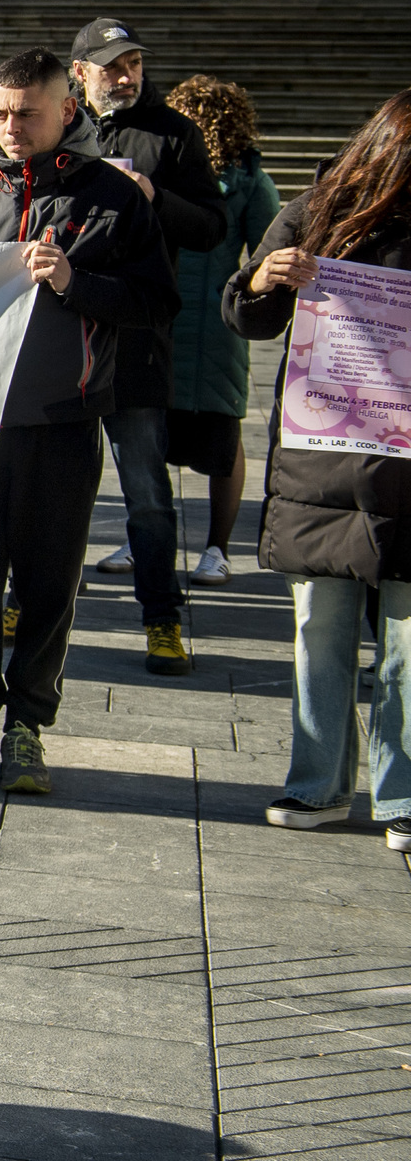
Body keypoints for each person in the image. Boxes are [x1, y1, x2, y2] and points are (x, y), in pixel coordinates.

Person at [0, 48, 178, 798]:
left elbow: (156, 304)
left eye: (26, 113)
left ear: (68, 110)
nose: (10, 127)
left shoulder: (113, 196)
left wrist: (75, 282)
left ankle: (27, 724)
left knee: (48, 581)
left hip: (64, 419)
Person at [222, 90, 411, 845]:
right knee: (320, 628)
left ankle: (400, 798)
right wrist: (266, 276)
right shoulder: (314, 211)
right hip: (328, 456)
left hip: (396, 460)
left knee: (406, 638)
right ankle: (317, 784)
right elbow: (246, 313)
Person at [67, 18, 226, 675]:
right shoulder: (59, 130)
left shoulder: (174, 135)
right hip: (67, 333)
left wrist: (154, 194)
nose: (127, 76)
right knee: (54, 482)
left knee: (147, 492)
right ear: (80, 73)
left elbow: (213, 227)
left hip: (136, 337)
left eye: (133, 63)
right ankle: (26, 597)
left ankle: (161, 617)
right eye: (112, 67)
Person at [163, 75, 281, 590]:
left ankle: (217, 547)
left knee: (222, 433)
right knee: (151, 430)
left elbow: (265, 253)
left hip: (215, 320)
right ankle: (150, 535)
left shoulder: (251, 181)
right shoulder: (164, 170)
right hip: (165, 312)